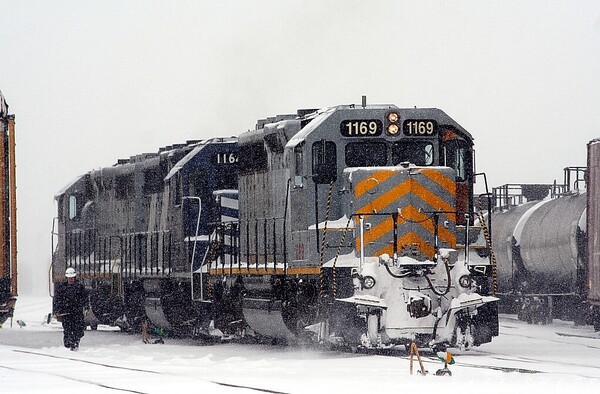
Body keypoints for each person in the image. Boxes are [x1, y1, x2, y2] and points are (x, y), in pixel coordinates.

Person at [53, 267, 88, 350]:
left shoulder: (80, 287)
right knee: (68, 329)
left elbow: (85, 298)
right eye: (69, 278)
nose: (71, 280)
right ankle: (69, 342)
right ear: (67, 278)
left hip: (77, 313)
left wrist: (86, 307)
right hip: (66, 314)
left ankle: (75, 343)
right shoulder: (62, 288)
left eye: (72, 278)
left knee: (78, 330)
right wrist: (57, 311)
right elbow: (57, 300)